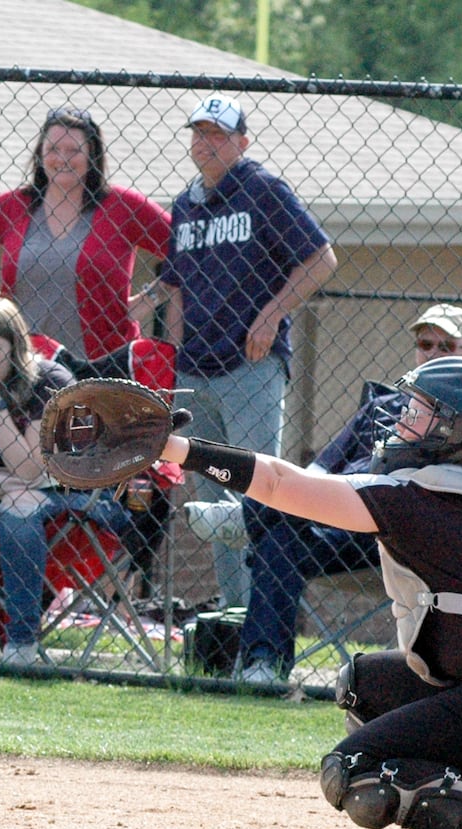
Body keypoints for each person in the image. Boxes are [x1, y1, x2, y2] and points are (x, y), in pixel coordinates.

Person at [157, 355, 462, 829]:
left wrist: (178, 449)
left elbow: (278, 482)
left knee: (357, 774)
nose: (401, 417)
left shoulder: (426, 502)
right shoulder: (455, 489)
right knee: (364, 685)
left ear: (460, 429)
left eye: (421, 410)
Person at [183, 304, 462, 682]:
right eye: (425, 343)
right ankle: (264, 666)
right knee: (281, 539)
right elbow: (315, 472)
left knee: (283, 518)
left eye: (445, 346)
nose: (431, 353)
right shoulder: (382, 407)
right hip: (334, 521)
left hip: (396, 535)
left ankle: (247, 518)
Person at [157, 93, 337, 611]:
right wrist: (170, 362)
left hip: (249, 365)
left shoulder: (262, 190)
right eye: (199, 132)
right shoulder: (186, 203)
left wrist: (273, 312)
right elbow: (177, 289)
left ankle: (263, 621)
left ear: (242, 142)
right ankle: (236, 616)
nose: (206, 142)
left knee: (257, 496)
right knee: (213, 504)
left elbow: (321, 258)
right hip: (195, 369)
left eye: (218, 134)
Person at [0, 298, 130, 673]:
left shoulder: (49, 381)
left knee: (19, 507)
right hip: (0, 488)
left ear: (15, 349)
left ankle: (21, 640)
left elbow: (29, 469)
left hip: (69, 493)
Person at [0, 105, 171, 364]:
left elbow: (187, 250)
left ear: (92, 155)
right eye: (53, 149)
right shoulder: (15, 206)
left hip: (104, 364)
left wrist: (148, 299)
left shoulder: (124, 206)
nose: (62, 158)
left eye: (74, 150)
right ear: (40, 154)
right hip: (27, 365)